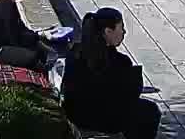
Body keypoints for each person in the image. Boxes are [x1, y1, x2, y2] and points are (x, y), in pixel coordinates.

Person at [62, 8, 160, 139]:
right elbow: (129, 96)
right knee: (150, 111)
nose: (124, 32)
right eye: (121, 28)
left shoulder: (75, 51)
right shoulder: (119, 61)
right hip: (101, 118)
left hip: (75, 114)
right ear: (108, 31)